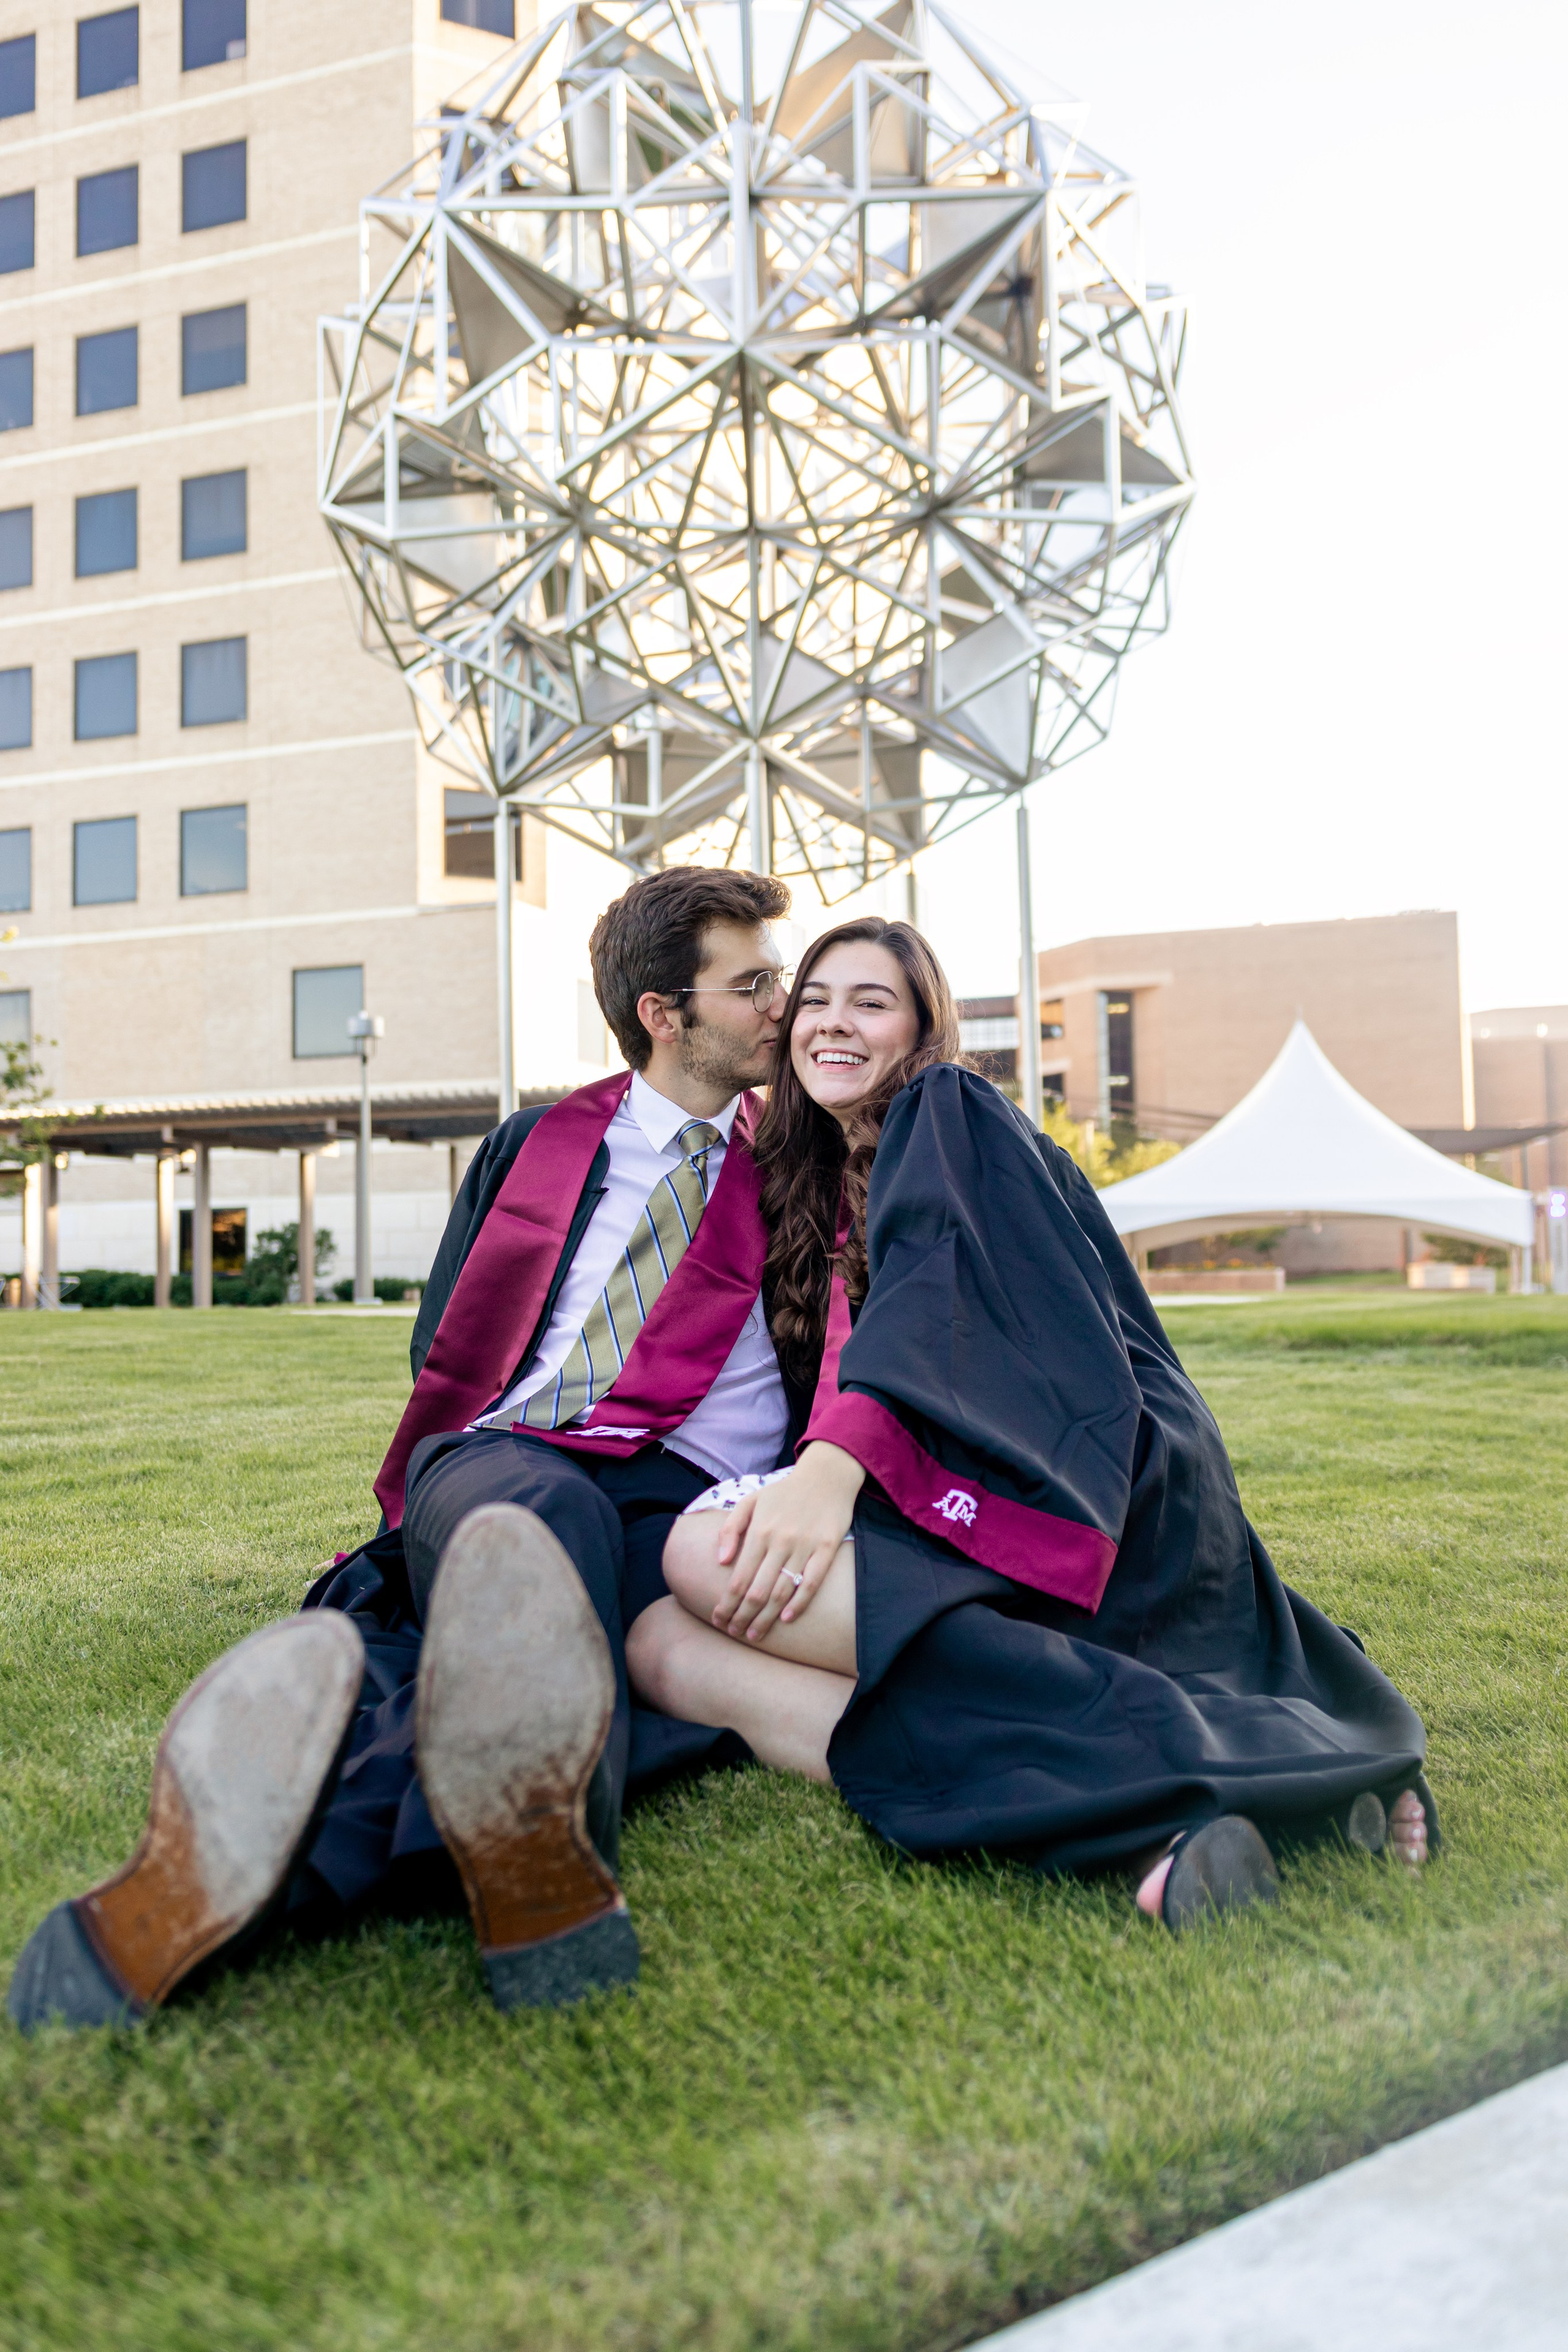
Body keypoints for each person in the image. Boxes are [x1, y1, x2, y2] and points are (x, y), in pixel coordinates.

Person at [10, 866, 810, 2034]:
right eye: (755, 985)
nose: (786, 1005)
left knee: (564, 1646)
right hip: (511, 1455)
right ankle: (544, 1867)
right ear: (663, 1012)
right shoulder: (536, 1146)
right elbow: (450, 1339)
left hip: (686, 1495)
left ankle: (180, 1903)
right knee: (531, 1546)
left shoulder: (802, 1161)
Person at [629, 917, 1436, 1928]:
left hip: (1073, 1464)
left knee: (698, 1558)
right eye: (816, 1001)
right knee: (663, 1649)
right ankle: (1150, 1817)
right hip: (966, 1470)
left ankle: (1246, 1769)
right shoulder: (820, 1180)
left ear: (923, 1029)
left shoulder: (945, 1105)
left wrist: (827, 1477)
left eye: (871, 1003)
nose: (832, 1023)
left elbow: (936, 1298)